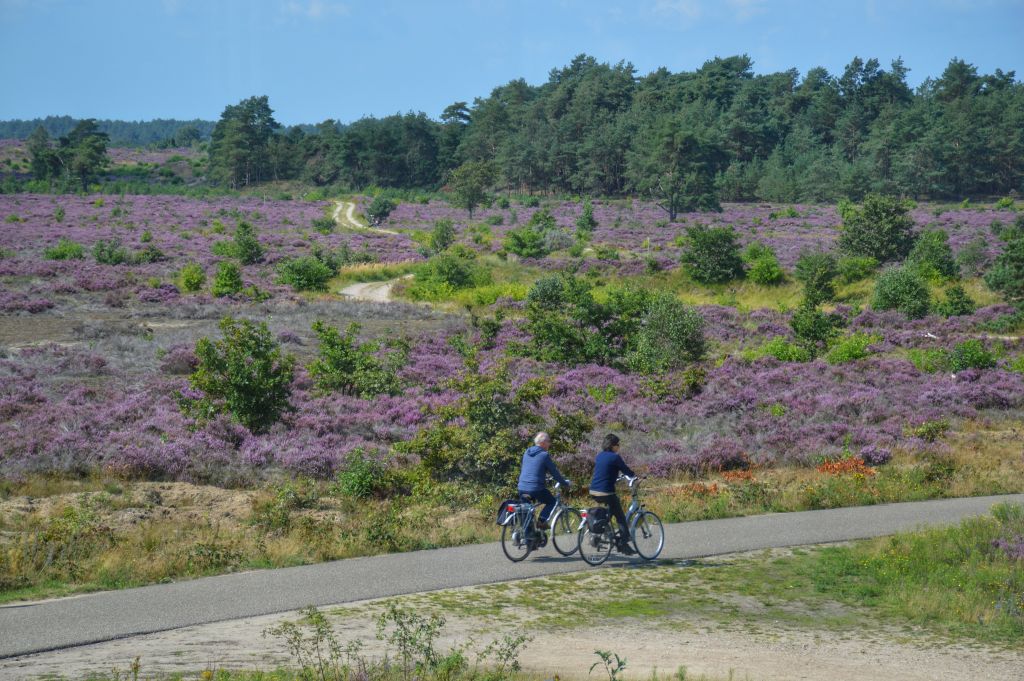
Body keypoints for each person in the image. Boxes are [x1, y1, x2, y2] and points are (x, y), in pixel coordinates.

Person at [588, 433, 637, 554]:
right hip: (606, 492)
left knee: (610, 512)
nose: (619, 447)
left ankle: (603, 530)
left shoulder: (599, 456)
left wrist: (616, 477)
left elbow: (606, 471)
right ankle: (623, 544)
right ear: (613, 446)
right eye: (618, 444)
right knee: (620, 516)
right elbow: (627, 471)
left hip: (593, 490)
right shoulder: (615, 457)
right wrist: (635, 477)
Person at [517, 431, 570, 530]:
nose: (549, 444)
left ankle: (528, 538)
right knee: (552, 501)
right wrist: (564, 483)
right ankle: (541, 521)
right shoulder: (544, 455)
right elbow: (554, 473)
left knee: (527, 512)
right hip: (535, 488)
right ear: (543, 443)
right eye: (548, 441)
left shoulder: (527, 452)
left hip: (521, 487)